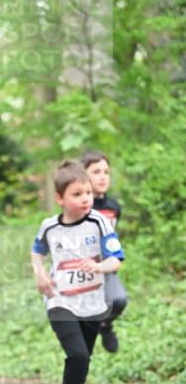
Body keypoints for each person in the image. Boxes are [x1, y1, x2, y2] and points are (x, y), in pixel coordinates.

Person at [31, 159, 125, 384]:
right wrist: (40, 274)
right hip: (60, 300)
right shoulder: (49, 227)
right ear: (60, 198)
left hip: (93, 303)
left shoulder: (99, 222)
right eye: (77, 194)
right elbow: (37, 251)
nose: (85, 199)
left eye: (87, 193)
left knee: (82, 358)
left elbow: (116, 258)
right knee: (78, 354)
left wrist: (101, 268)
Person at [80, 150, 128, 353]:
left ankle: (105, 325)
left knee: (118, 300)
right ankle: (78, 380)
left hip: (106, 265)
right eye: (96, 171)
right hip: (81, 270)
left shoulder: (113, 206)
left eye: (106, 172)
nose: (102, 176)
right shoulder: (80, 205)